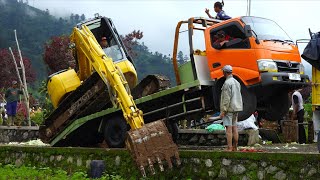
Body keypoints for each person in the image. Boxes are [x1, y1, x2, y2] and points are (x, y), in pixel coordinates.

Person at [220, 65, 243, 151]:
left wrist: (223, 110)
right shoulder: (236, 82)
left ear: (225, 72)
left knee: (228, 128)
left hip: (229, 109)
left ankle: (229, 147)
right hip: (236, 108)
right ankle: (235, 147)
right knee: (235, 127)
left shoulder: (227, 83)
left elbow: (226, 98)